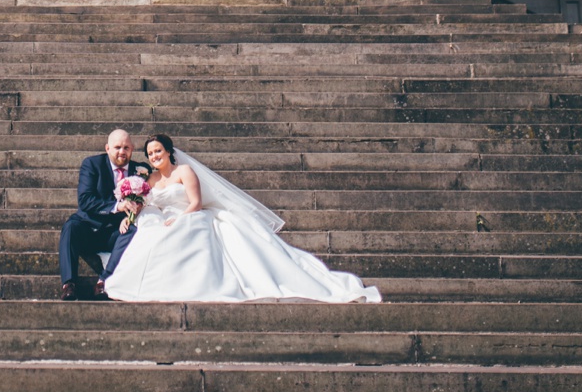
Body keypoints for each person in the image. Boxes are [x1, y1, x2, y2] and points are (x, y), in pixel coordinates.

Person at [103, 134, 383, 304]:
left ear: (168, 152)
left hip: (189, 216)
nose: (154, 157)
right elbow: (145, 201)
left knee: (188, 229)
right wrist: (131, 213)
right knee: (149, 235)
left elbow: (197, 203)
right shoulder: (148, 178)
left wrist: (179, 219)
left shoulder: (184, 171)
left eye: (158, 152)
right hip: (162, 220)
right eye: (150, 154)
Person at [57, 128, 150, 300]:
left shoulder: (141, 170)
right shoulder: (92, 164)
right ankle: (69, 284)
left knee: (132, 232)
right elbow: (85, 200)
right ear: (107, 148)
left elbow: (146, 200)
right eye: (117, 147)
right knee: (70, 227)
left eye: (126, 148)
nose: (122, 152)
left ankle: (104, 282)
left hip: (115, 231)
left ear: (132, 148)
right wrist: (117, 206)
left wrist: (131, 216)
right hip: (88, 226)